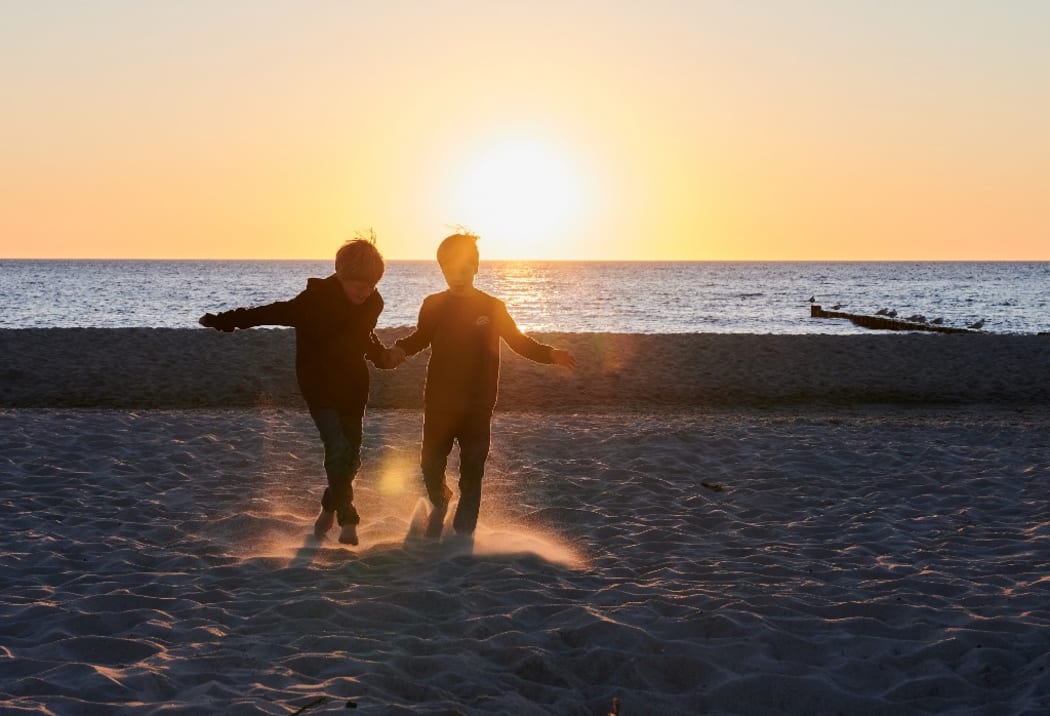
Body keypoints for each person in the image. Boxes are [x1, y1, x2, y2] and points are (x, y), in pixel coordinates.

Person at [198, 237, 398, 546]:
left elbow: (362, 336)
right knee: (336, 448)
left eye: (370, 285)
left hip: (354, 386)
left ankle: (328, 510)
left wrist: (380, 356)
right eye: (358, 285)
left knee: (353, 458)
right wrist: (226, 321)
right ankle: (348, 519)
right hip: (318, 385)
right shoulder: (313, 301)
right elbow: (270, 313)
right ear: (341, 275)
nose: (365, 292)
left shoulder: (374, 302)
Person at [387, 232, 576, 538]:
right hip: (439, 402)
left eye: (463, 268)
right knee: (430, 465)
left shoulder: (493, 307)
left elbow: (518, 342)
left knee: (472, 471)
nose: (456, 275)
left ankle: (463, 536)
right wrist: (398, 351)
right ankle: (441, 499)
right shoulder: (433, 304)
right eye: (449, 269)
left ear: (475, 267)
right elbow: (420, 338)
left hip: (478, 405)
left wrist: (550, 354)